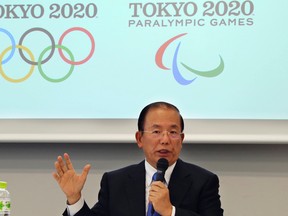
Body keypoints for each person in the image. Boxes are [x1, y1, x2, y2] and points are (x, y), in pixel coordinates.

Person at [53, 101, 224, 216]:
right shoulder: (115, 182)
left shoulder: (203, 181)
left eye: (173, 132)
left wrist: (170, 211)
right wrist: (74, 198)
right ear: (139, 138)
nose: (165, 139)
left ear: (181, 139)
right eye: (156, 132)